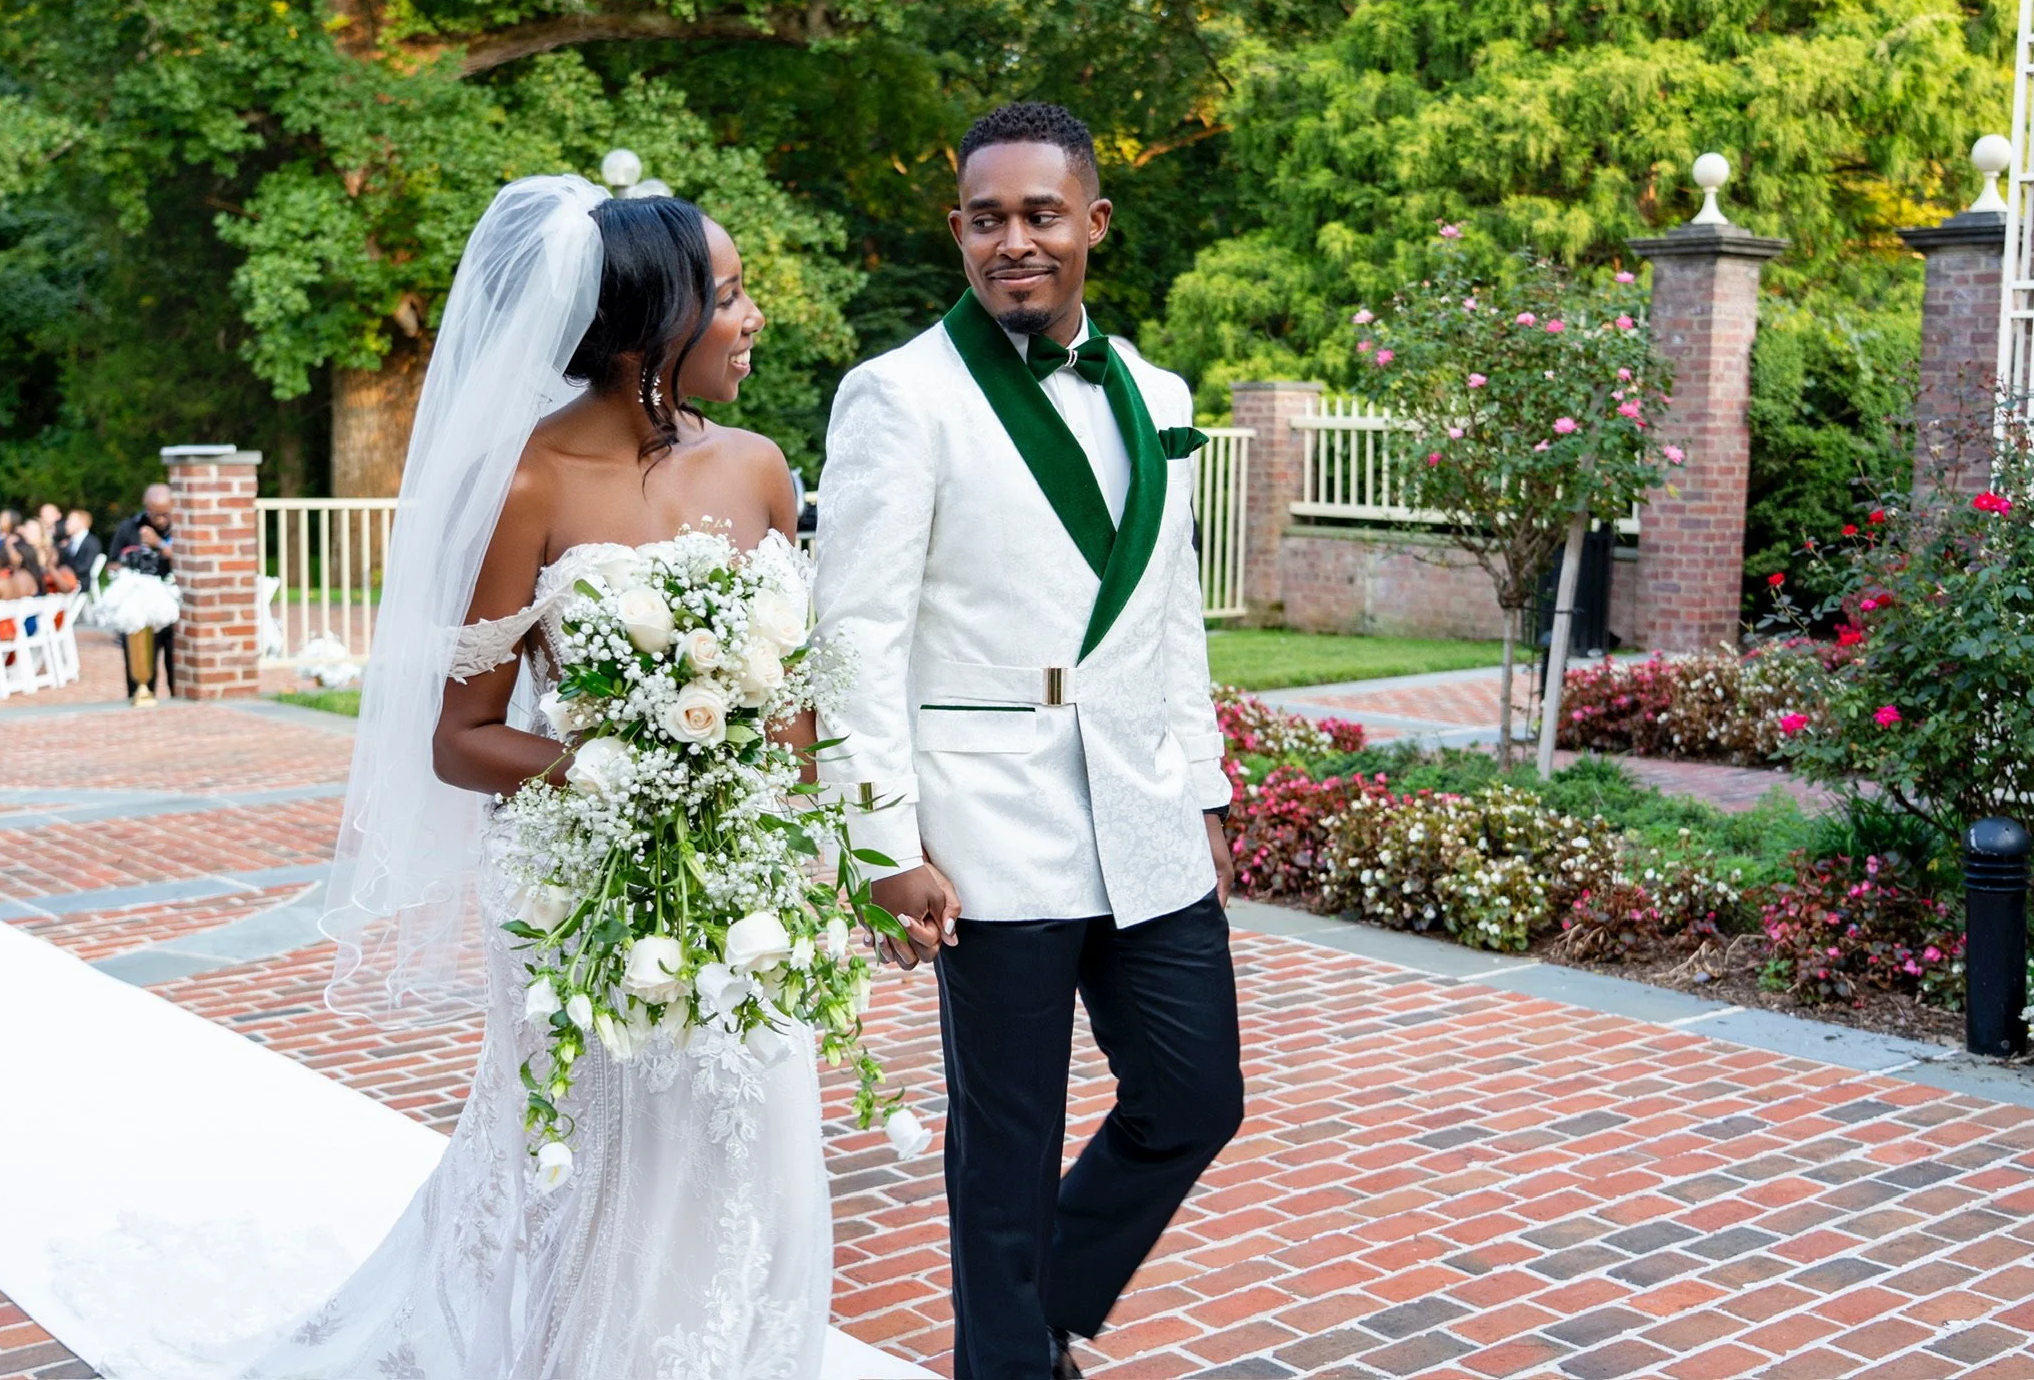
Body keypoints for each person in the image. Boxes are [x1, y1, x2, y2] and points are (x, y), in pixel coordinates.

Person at [238, 176, 833, 1377]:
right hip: (580, 889)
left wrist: (809, 860)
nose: (754, 315)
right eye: (728, 294)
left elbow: (802, 708)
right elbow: (459, 734)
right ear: (648, 329)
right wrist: (619, 770)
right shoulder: (530, 481)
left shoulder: (764, 468)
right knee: (602, 1155)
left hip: (749, 881)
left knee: (749, 1143)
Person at [813, 102, 1241, 1380]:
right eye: (987, 218)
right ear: (957, 231)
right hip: (986, 820)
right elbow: (859, 637)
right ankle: (1009, 1359)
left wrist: (1208, 783)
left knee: (1193, 1097)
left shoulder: (1156, 392)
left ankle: (1026, 1307)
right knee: (1004, 1144)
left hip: (1145, 804)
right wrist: (880, 840)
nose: (1015, 241)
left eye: (1040, 214)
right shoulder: (899, 396)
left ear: (1093, 223)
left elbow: (1171, 616)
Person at [109, 488, 175, 698]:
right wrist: (129, 566)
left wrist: (159, 544)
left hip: (174, 605)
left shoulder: (183, 527)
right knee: (140, 670)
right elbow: (111, 564)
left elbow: (188, 561)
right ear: (147, 509)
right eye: (156, 514)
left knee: (178, 670)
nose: (162, 519)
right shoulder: (129, 528)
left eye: (166, 513)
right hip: (140, 608)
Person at [61, 509, 103, 592]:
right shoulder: (69, 542)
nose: (67, 523)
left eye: (71, 520)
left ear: (82, 522)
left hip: (80, 582)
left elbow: (85, 567)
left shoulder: (92, 542)